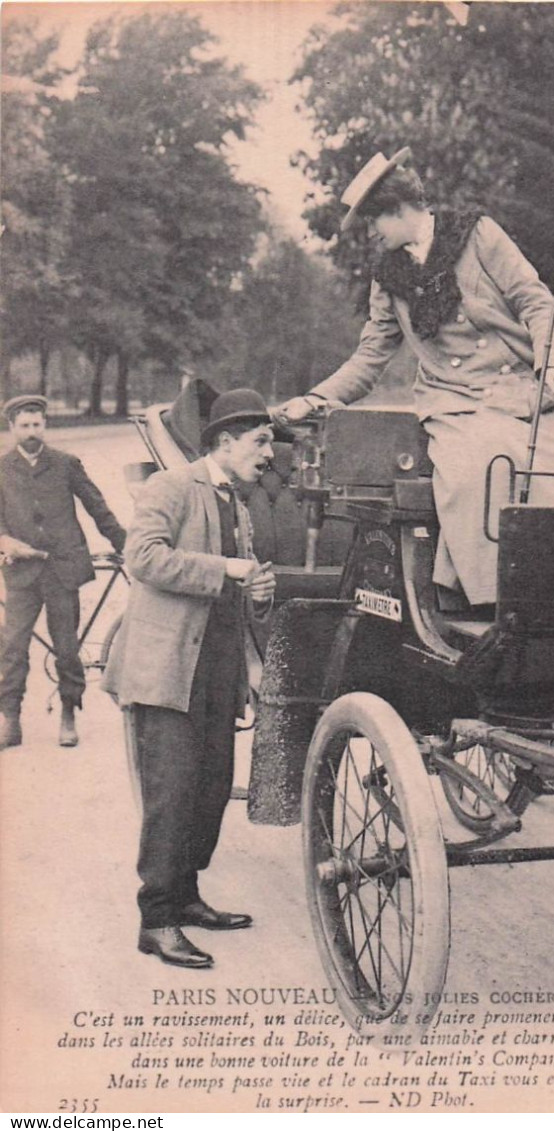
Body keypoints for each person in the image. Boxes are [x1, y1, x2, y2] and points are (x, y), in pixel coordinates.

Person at [276, 148, 554, 611]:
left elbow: (537, 303)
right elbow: (370, 358)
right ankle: (494, 604)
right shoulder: (387, 278)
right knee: (480, 471)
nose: (371, 234)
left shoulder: (479, 235)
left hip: (524, 389)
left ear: (399, 209)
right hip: (455, 404)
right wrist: (315, 398)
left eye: (373, 221)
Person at [102, 388, 276, 969]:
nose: (269, 452)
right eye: (260, 440)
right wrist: (225, 568)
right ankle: (156, 920)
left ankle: (187, 896)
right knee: (172, 796)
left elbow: (235, 598)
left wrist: (255, 593)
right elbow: (143, 559)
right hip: (166, 672)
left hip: (216, 673)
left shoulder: (240, 506)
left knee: (209, 792)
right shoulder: (171, 487)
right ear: (224, 442)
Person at [0, 394, 126, 750]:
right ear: (12, 428)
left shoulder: (66, 463)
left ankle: (69, 713)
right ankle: (10, 719)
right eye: (24, 426)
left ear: (46, 425)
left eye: (37, 424)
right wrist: (4, 541)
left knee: (67, 648)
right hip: (22, 573)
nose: (31, 432)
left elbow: (97, 507)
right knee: (12, 648)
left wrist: (126, 545)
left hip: (61, 570)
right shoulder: (2, 467)